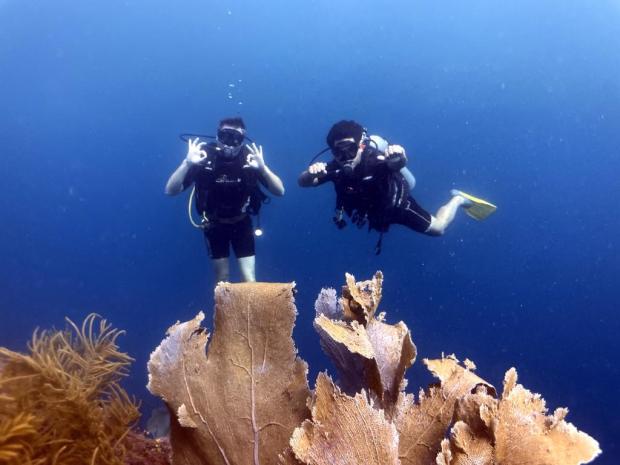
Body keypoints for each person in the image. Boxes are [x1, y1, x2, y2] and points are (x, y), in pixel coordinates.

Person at [298, 120, 496, 253]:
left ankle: (459, 199)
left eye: (349, 149)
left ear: (362, 145)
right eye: (337, 152)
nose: (344, 157)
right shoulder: (334, 168)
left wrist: (399, 156)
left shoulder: (376, 160)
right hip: (371, 214)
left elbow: (397, 163)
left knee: (438, 228)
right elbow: (304, 182)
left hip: (397, 207)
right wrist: (310, 173)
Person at [166, 117, 284, 282]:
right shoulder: (203, 157)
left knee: (249, 279)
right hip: (214, 225)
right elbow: (170, 190)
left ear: (242, 141)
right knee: (222, 280)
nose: (229, 143)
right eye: (225, 136)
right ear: (217, 136)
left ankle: (250, 308)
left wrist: (263, 169)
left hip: (242, 223)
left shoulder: (249, 159)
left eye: (236, 138)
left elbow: (280, 191)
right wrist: (186, 163)